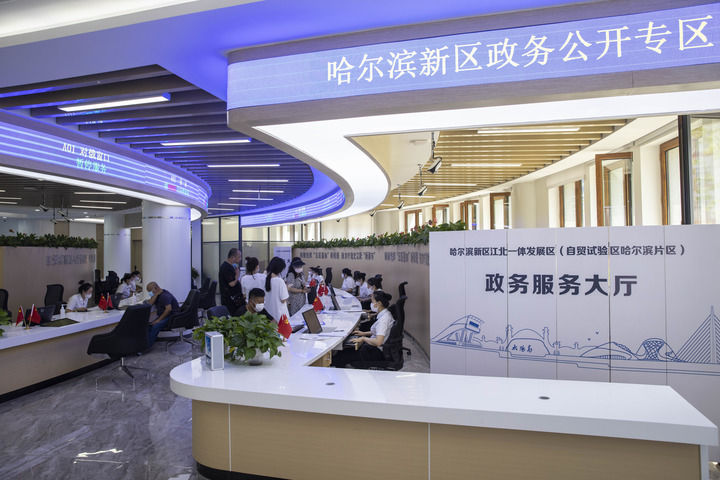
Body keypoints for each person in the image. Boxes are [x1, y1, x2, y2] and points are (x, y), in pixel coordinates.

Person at [331, 291, 395, 368]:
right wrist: (363, 333)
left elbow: (378, 342)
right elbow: (378, 332)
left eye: (372, 301)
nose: (371, 304)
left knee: (340, 357)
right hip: (373, 348)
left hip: (375, 352)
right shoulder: (386, 314)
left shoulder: (383, 320)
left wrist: (363, 338)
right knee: (344, 351)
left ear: (379, 303)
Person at [145, 281, 180, 348]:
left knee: (155, 326)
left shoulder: (165, 296)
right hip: (165, 314)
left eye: (150, 291)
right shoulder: (157, 294)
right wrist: (155, 295)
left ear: (155, 288)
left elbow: (168, 309)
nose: (149, 293)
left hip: (172, 316)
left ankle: (147, 347)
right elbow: (150, 303)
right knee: (149, 324)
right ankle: (148, 341)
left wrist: (158, 320)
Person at [219, 248, 244, 315]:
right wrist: (237, 275)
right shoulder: (226, 268)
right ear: (233, 257)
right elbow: (231, 284)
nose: (240, 259)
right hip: (230, 300)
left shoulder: (230, 266)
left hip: (234, 299)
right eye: (239, 257)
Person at [264, 256, 289, 323]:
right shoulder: (279, 281)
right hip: (280, 316)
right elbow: (283, 300)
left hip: (269, 315)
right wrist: (286, 288)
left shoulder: (265, 279)